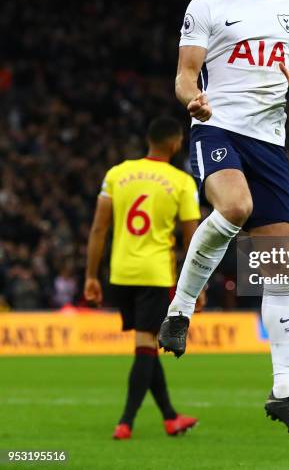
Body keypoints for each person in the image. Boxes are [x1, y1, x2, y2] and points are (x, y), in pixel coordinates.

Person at [158, 0, 289, 443]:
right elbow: (184, 74)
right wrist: (195, 101)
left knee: (280, 272)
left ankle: (286, 393)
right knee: (235, 207)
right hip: (218, 128)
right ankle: (180, 311)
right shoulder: (207, 4)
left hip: (270, 144)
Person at [84, 116, 204, 440]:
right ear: (176, 143)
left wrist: (91, 275)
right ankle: (125, 422)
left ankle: (170, 417)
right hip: (154, 274)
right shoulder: (181, 182)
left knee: (146, 344)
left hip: (120, 273)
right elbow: (193, 238)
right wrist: (196, 283)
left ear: (149, 140)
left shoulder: (117, 174)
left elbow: (98, 229)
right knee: (145, 346)